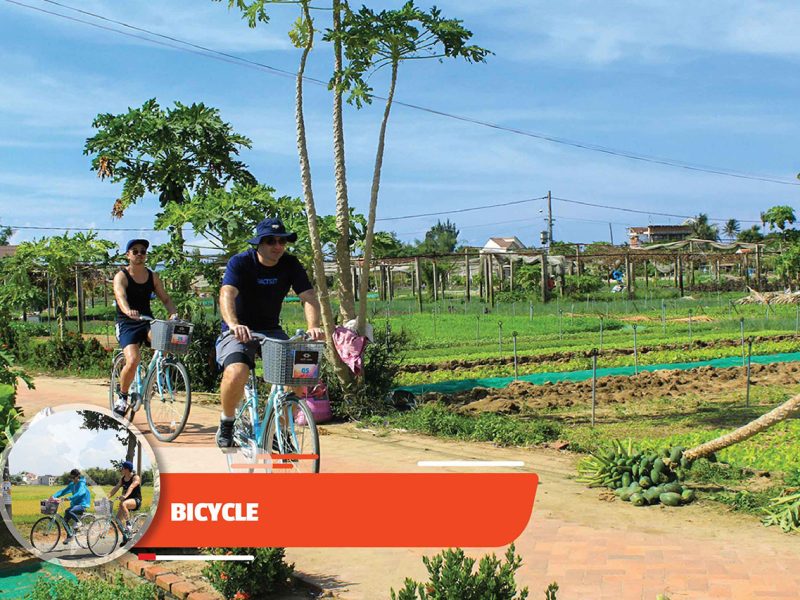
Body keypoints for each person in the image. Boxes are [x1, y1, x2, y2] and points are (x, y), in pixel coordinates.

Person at [214, 217, 324, 448]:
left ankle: (280, 432)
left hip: (271, 330)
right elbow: (226, 293)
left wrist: (313, 326)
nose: (278, 246)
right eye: (271, 241)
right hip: (239, 330)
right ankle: (227, 422)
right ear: (259, 243)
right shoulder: (240, 262)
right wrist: (234, 324)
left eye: (282, 241)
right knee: (236, 372)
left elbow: (308, 297)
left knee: (297, 376)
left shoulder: (290, 264)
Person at [112, 239, 178, 416]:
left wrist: (173, 313)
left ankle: (155, 378)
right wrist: (128, 311)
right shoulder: (121, 276)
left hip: (147, 320)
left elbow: (166, 299)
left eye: (143, 251)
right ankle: (122, 397)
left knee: (164, 343)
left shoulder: (152, 276)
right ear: (128, 255)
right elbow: (120, 297)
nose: (139, 254)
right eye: (135, 251)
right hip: (127, 323)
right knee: (133, 359)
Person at [50, 468, 91, 544]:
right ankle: (70, 536)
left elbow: (80, 493)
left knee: (68, 510)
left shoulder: (81, 484)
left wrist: (69, 498)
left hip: (82, 505)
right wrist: (53, 496)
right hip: (74, 505)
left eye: (73, 477)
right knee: (64, 520)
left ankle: (78, 522)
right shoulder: (72, 484)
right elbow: (63, 491)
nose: (72, 479)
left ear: (77, 476)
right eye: (71, 477)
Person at [107, 460, 142, 536]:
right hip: (126, 501)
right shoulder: (123, 479)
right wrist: (107, 497)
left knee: (123, 503)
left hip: (136, 500)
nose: (121, 469)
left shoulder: (135, 477)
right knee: (117, 520)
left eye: (122, 468)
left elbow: (131, 487)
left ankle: (128, 524)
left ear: (127, 469)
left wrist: (125, 496)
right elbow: (116, 488)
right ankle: (126, 536)